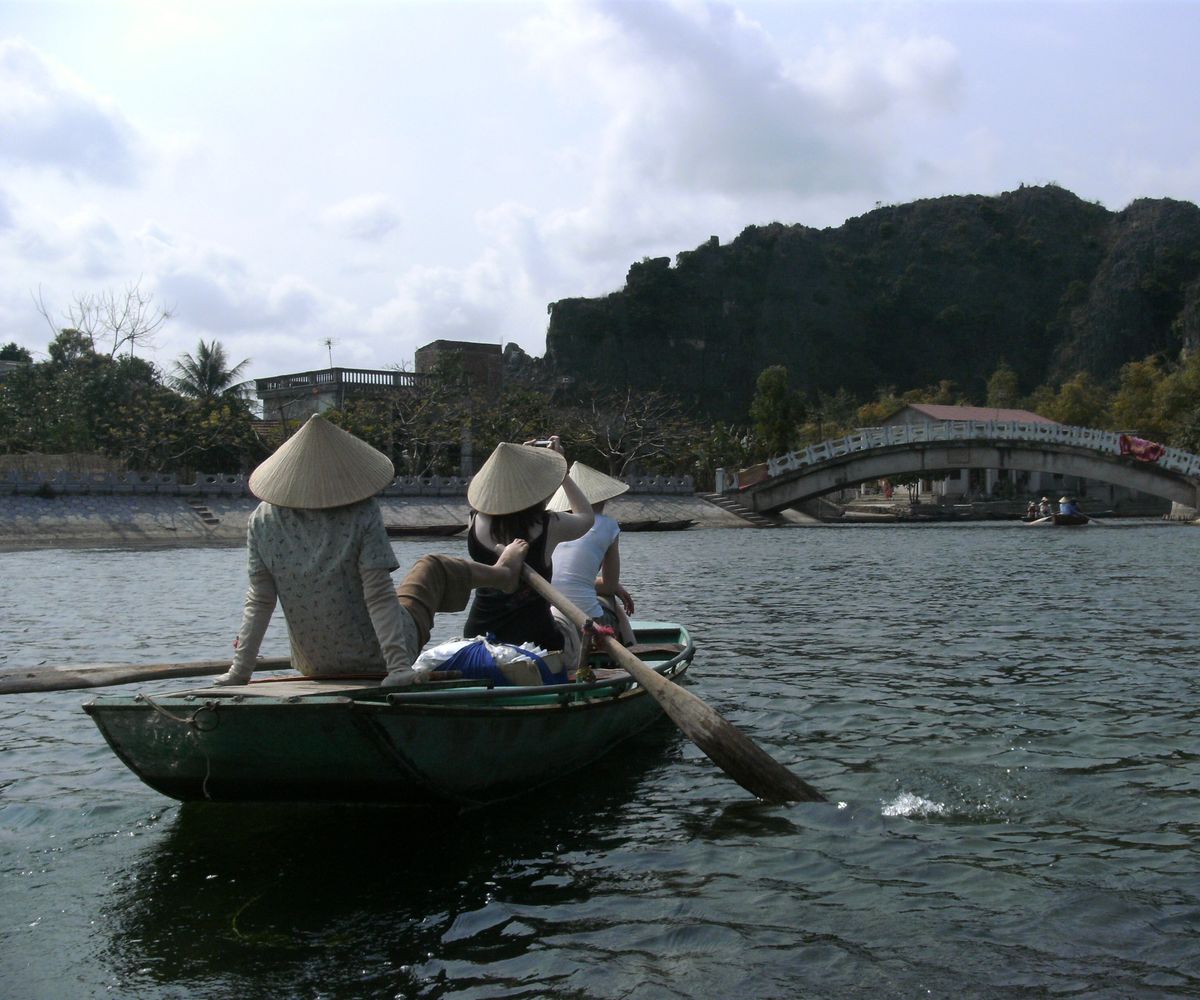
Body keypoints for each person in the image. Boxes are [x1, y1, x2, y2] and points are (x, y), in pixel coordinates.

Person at [214, 414, 528, 688]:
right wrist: (398, 668)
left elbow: (260, 600)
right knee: (432, 566)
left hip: (313, 662)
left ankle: (501, 574)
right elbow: (377, 596)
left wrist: (240, 671)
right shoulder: (360, 512)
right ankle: (503, 575)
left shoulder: (262, 519)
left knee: (410, 584)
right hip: (377, 657)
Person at [463, 436, 593, 662]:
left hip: (479, 638)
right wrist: (562, 471)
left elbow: (483, 503)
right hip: (537, 644)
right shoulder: (548, 525)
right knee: (563, 617)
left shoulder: (473, 520)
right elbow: (586, 517)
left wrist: (518, 463)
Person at [546, 462, 637, 663]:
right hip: (587, 620)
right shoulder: (609, 525)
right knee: (612, 601)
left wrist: (609, 585)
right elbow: (609, 586)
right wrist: (615, 587)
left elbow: (559, 577)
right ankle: (632, 648)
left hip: (546, 613)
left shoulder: (553, 522)